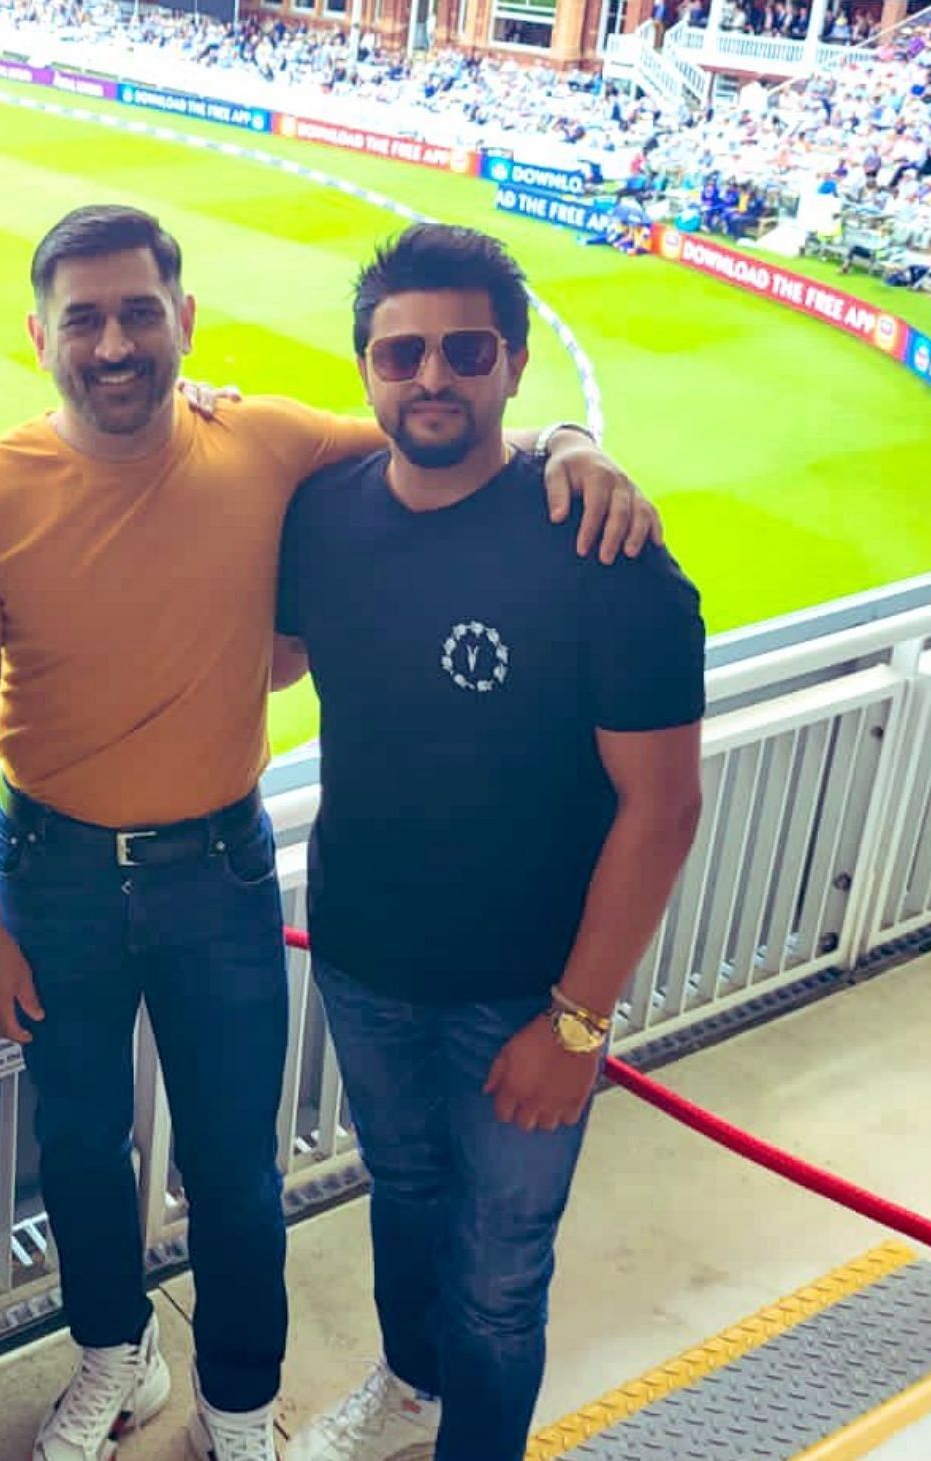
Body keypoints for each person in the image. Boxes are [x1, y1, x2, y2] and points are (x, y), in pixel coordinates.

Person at [0, 205, 659, 1461]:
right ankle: (117, 1353)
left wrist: (573, 442)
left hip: (215, 869)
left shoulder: (268, 438)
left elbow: (446, 443)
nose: (113, 344)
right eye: (84, 320)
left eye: (138, 313)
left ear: (185, 321)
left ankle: (237, 1398)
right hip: (46, 869)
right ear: (38, 337)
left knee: (235, 1169)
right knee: (76, 1142)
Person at [276, 224, 705, 1461]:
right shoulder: (326, 518)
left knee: (503, 1276)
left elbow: (662, 808)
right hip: (363, 962)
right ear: (362, 369)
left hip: (527, 991)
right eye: (399, 352)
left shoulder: (606, 553)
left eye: (465, 349)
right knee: (403, 1203)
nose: (430, 377)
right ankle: (409, 1389)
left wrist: (575, 1022)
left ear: (514, 364)